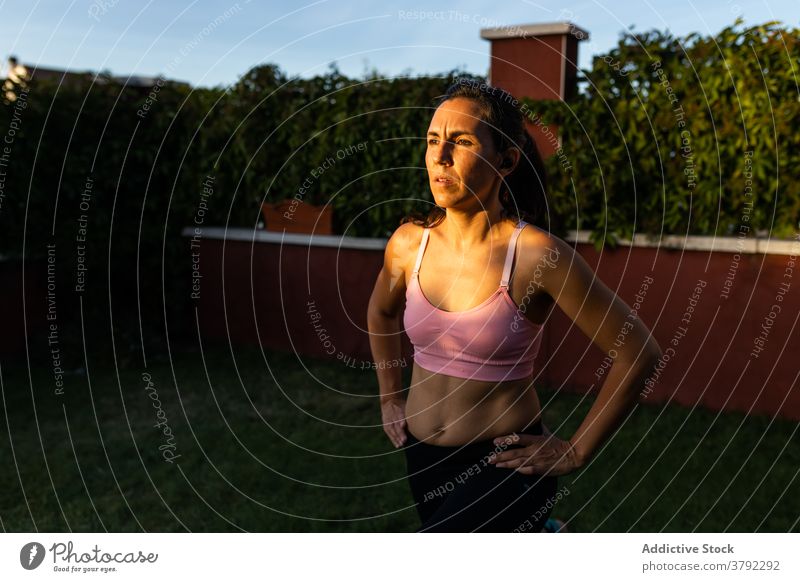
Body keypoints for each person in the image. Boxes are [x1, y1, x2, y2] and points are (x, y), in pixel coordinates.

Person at [367, 78, 663, 533]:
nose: (439, 157)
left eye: (460, 141)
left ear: (506, 160)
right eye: (432, 140)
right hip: (422, 456)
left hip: (507, 463)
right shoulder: (409, 244)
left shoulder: (537, 256)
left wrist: (577, 448)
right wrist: (390, 396)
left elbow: (637, 352)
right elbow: (382, 312)